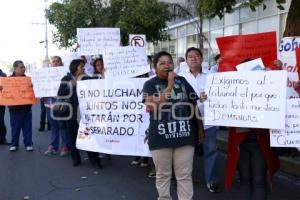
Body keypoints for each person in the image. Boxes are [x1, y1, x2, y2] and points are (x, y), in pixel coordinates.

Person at [142, 51, 205, 200]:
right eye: (162, 63)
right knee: (163, 175)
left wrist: (200, 128)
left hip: (185, 136)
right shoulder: (149, 84)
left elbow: (193, 105)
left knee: (184, 175)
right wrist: (170, 85)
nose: (167, 66)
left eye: (169, 62)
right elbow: (153, 107)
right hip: (160, 138)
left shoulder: (182, 81)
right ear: (155, 66)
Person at [224, 59, 281, 200]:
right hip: (243, 143)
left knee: (255, 181)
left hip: (257, 142)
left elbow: (283, 93)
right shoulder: (232, 89)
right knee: (250, 181)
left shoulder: (267, 87)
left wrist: (278, 73)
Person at [181, 47, 220, 193]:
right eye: (190, 56)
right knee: (186, 154)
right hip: (188, 122)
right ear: (186, 60)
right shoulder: (180, 77)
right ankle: (184, 181)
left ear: (202, 59)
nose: (193, 58)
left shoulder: (212, 76)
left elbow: (223, 94)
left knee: (210, 151)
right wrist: (196, 99)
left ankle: (211, 180)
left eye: (197, 56)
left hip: (208, 122)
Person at [57, 59, 102, 168]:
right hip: (71, 114)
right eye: (81, 67)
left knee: (88, 136)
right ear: (75, 68)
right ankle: (75, 159)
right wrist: (70, 86)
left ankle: (94, 161)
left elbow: (98, 85)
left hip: (85, 115)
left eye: (83, 66)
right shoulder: (66, 79)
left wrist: (103, 74)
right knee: (73, 138)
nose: (83, 68)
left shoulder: (86, 78)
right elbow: (60, 94)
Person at [44, 56, 70, 156]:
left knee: (62, 125)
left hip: (61, 103)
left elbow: (69, 88)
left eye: (57, 61)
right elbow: (41, 86)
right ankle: (53, 146)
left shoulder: (66, 75)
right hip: (49, 102)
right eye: (53, 62)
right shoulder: (45, 75)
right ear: (50, 64)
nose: (55, 63)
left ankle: (65, 147)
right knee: (54, 125)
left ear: (61, 63)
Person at [8, 60, 33, 151]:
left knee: (27, 127)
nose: (23, 68)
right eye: (21, 67)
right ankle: (14, 144)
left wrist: (32, 87)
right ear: (15, 68)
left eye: (24, 67)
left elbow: (33, 92)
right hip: (14, 109)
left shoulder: (28, 80)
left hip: (26, 108)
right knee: (15, 127)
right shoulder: (8, 80)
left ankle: (28, 144)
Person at [0, 68, 9, 145]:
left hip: (1, 102)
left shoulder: (3, 75)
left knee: (1, 121)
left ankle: (2, 139)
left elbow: (7, 88)